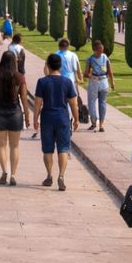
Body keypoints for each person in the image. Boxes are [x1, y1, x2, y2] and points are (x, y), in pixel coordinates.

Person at [34, 53, 79, 190]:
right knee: (63, 148)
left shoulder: (42, 81)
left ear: (48, 65)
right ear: (60, 66)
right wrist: (76, 119)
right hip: (62, 118)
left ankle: (49, 175)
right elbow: (73, 104)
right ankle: (61, 176)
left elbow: (38, 103)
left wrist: (35, 118)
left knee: (47, 149)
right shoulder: (67, 82)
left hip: (47, 117)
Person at [0, 50, 28, 186]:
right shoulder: (20, 77)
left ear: (2, 61)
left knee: (1, 145)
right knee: (15, 146)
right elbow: (24, 98)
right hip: (15, 113)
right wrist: (27, 115)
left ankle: (4, 171)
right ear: (15, 62)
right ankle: (13, 174)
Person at [82, 40, 115, 133]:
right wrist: (112, 83)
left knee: (92, 102)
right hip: (104, 81)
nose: (101, 51)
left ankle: (94, 121)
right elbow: (110, 72)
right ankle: (101, 125)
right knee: (102, 103)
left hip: (95, 81)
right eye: (101, 49)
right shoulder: (105, 57)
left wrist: (90, 76)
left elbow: (86, 74)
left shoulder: (90, 59)